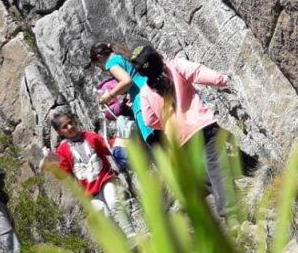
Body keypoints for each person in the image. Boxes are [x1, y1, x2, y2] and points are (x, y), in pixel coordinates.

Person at [133, 46, 234, 217]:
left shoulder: (145, 93)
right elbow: (198, 72)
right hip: (203, 126)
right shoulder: (176, 66)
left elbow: (149, 121)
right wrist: (223, 79)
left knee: (204, 171)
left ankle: (225, 208)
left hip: (180, 139)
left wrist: (166, 124)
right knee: (216, 165)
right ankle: (230, 211)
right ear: (158, 56)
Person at [41, 110, 135, 238]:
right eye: (65, 126)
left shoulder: (90, 136)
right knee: (103, 215)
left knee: (114, 202)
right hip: (89, 191)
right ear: (59, 132)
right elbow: (63, 173)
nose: (70, 127)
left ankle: (131, 235)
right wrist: (52, 165)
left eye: (71, 123)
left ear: (75, 121)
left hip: (105, 179)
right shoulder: (62, 150)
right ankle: (123, 243)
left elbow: (107, 147)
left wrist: (120, 140)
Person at [88, 42, 157, 147]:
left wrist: (109, 96)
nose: (101, 68)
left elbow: (126, 81)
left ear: (99, 57)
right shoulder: (122, 56)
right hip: (152, 90)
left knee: (155, 140)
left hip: (141, 101)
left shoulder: (111, 64)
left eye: (98, 65)